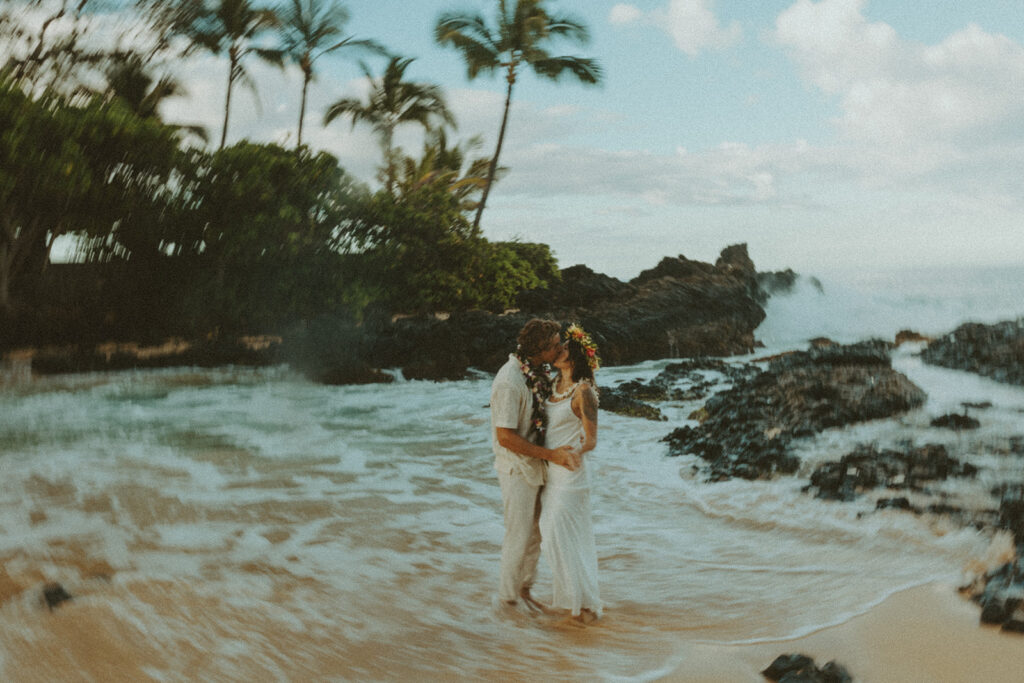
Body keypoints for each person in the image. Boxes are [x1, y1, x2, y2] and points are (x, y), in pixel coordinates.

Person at [491, 318, 581, 610]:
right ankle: (507, 602)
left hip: (537, 464)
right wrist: (552, 455)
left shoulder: (538, 371)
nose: (560, 348)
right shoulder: (509, 382)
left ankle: (525, 591)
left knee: (535, 534)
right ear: (540, 350)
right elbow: (504, 437)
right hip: (516, 468)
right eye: (555, 345)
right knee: (518, 535)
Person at [539, 323, 602, 624]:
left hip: (571, 474)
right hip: (551, 472)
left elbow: (591, 439)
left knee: (560, 534)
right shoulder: (552, 385)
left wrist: (576, 452)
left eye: (564, 349)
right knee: (551, 534)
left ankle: (581, 607)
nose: (558, 351)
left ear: (574, 358)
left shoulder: (584, 391)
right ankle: (571, 601)